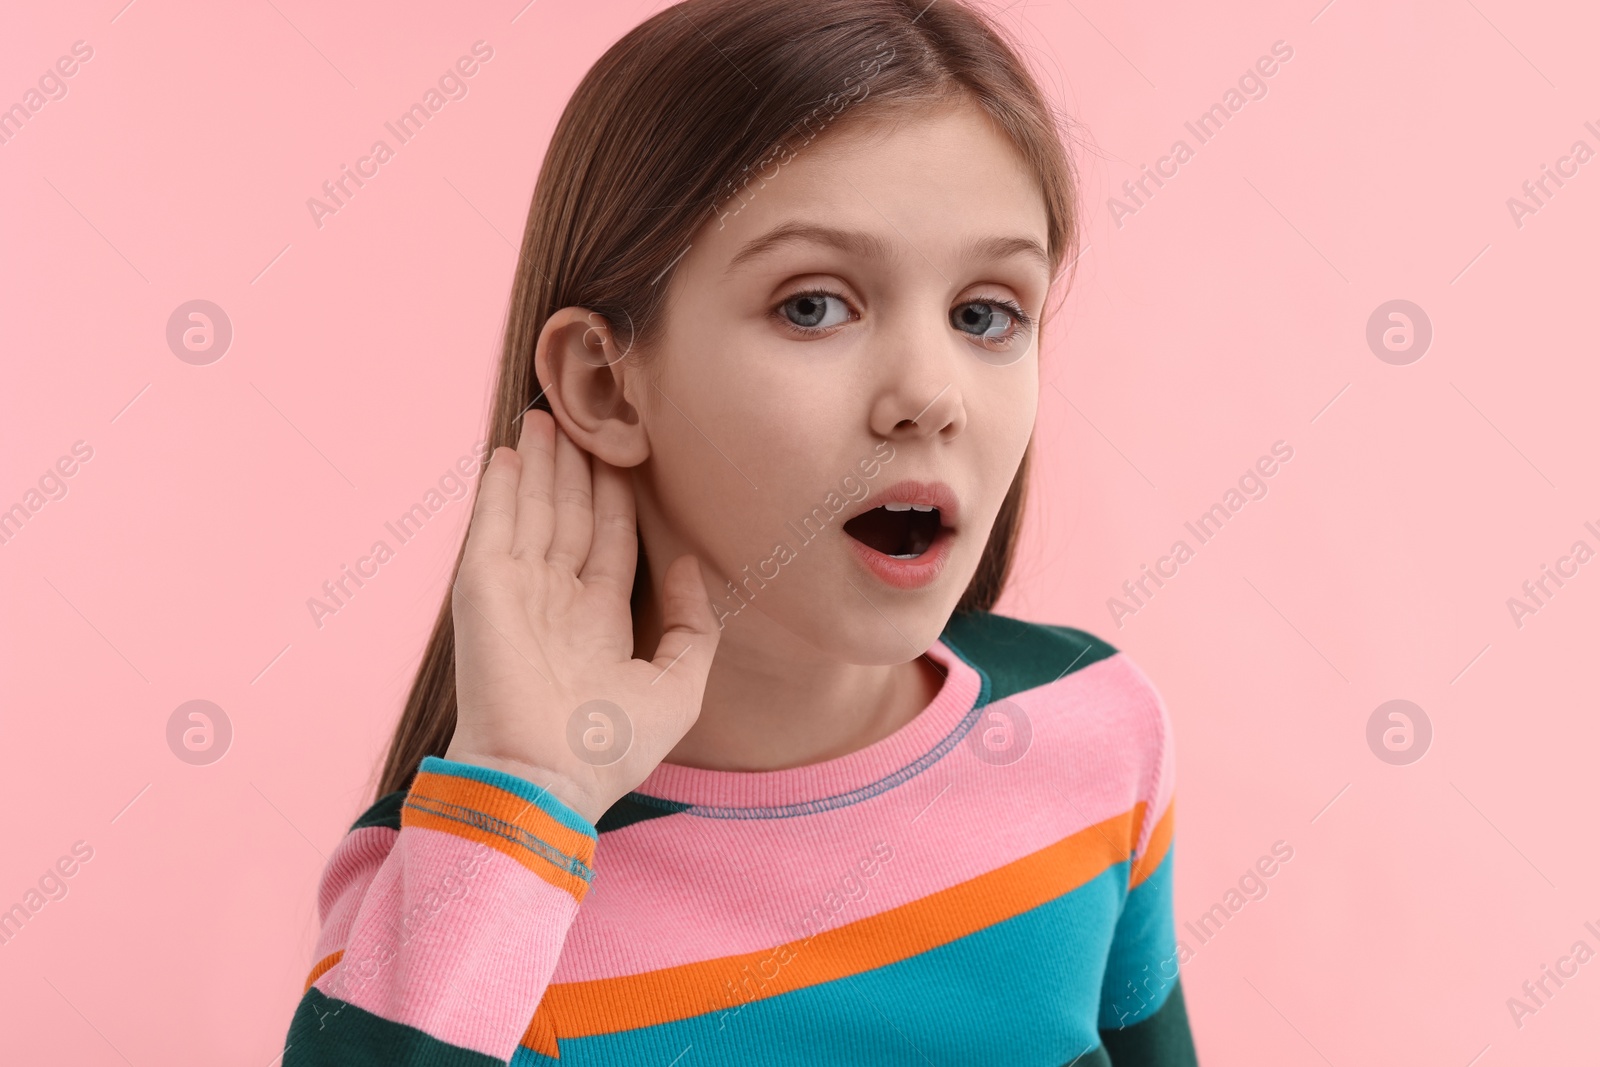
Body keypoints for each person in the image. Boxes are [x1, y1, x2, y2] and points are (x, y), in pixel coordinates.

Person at [281, 0, 1197, 1062]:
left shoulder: (1095, 728)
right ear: (605, 385)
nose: (930, 394)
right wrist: (527, 784)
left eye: (985, 313)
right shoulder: (470, 884)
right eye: (813, 305)